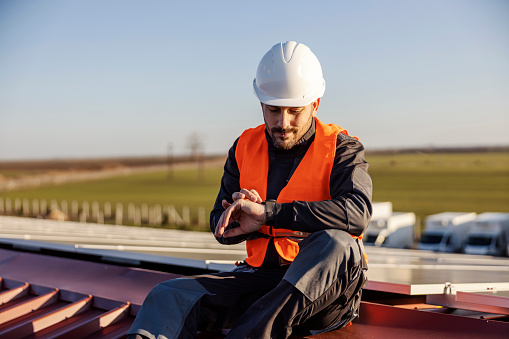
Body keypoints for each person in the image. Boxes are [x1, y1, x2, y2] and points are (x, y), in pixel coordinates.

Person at [128, 41, 372, 339]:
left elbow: (357, 213)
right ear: (261, 104)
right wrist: (238, 224)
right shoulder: (244, 147)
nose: (283, 123)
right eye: (273, 110)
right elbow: (218, 220)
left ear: (315, 105)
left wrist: (270, 213)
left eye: (294, 111)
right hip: (259, 280)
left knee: (339, 244)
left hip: (322, 290)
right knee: (169, 294)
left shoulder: (342, 149)